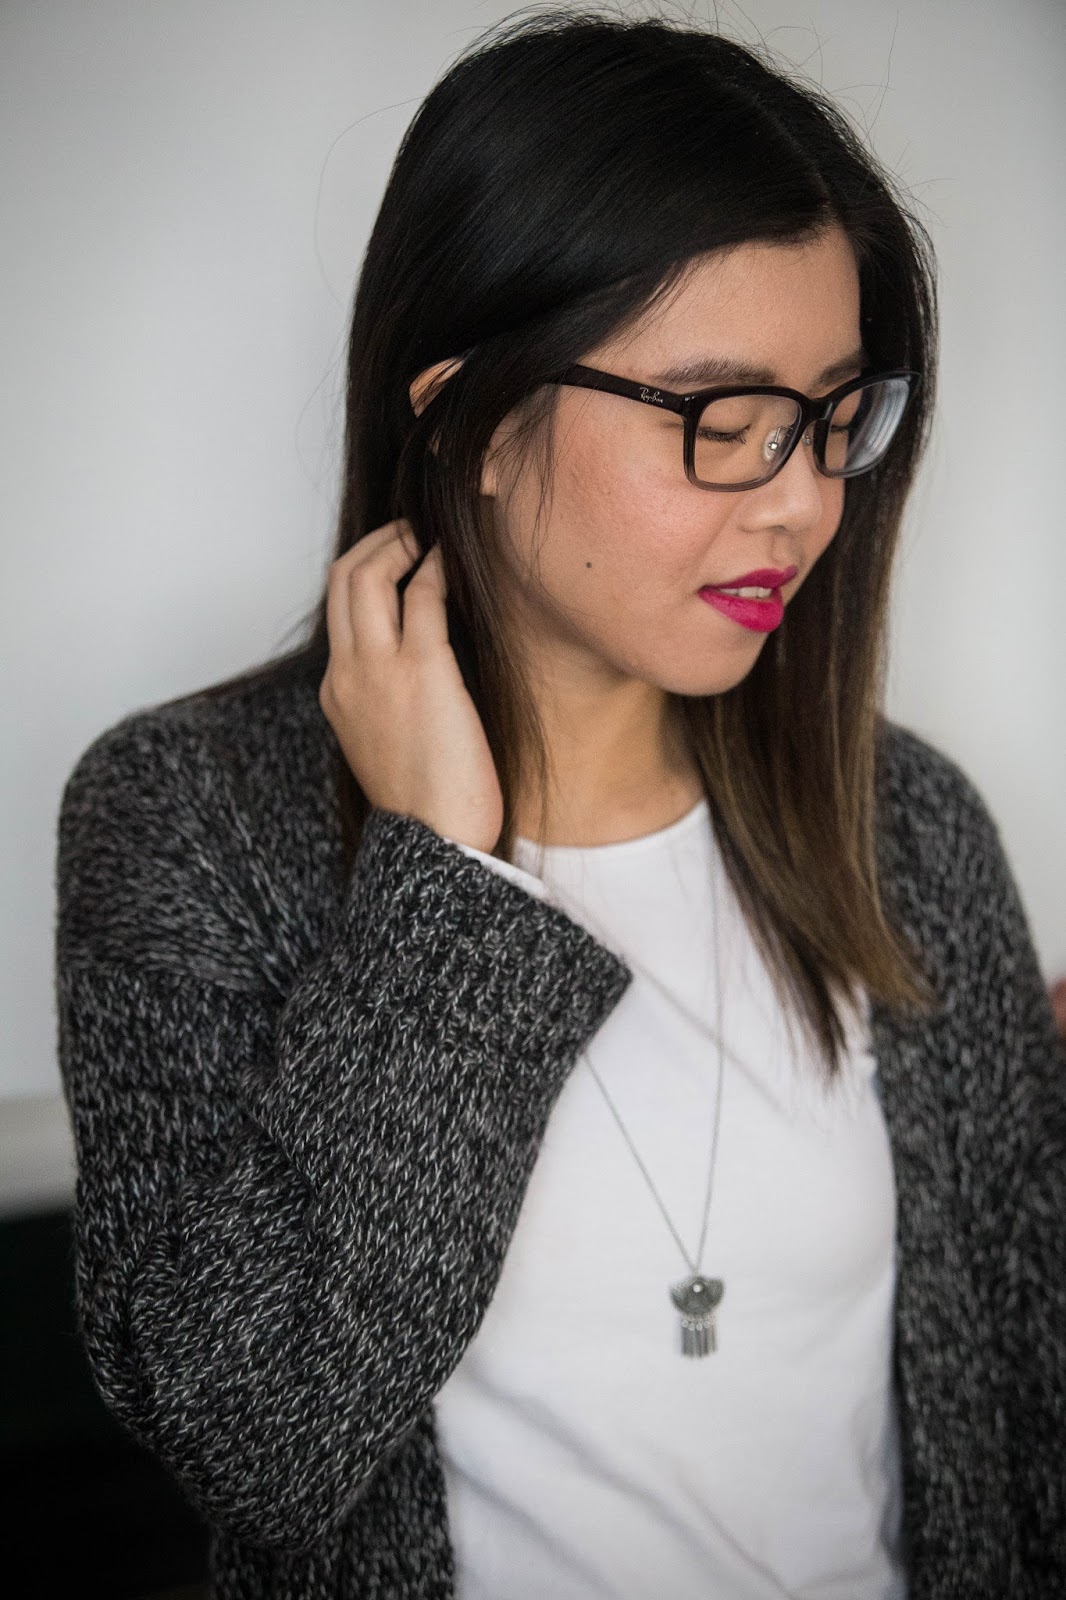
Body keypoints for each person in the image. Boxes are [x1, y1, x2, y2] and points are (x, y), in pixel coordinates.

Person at [54, 11, 1065, 1600]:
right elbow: (253, 1443)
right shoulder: (189, 822)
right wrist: (441, 885)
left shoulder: (905, 825)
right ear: (467, 411)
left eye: (831, 414)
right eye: (720, 417)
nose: (803, 498)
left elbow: (1025, 1409)